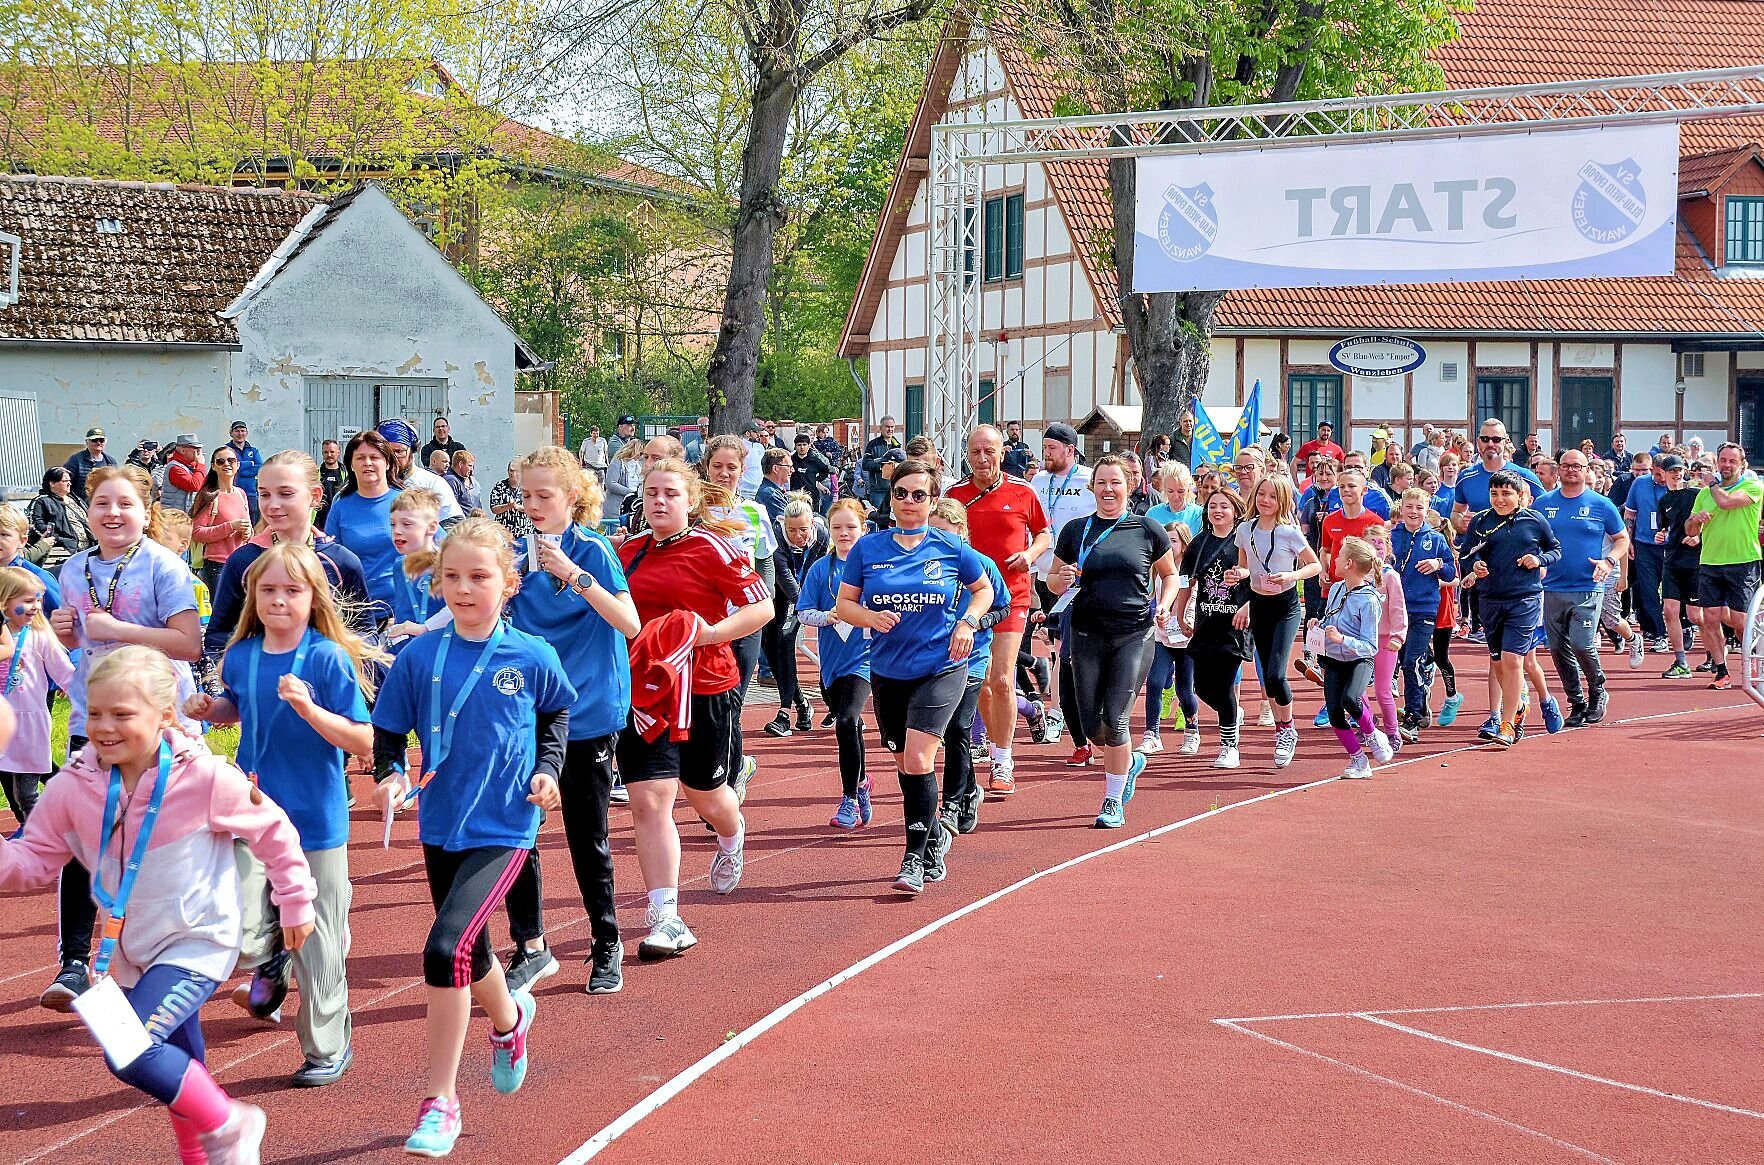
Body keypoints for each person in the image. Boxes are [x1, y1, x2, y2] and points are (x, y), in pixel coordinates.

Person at [0, 646, 315, 1165]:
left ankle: (232, 1123)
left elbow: (275, 833)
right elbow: (32, 862)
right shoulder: (70, 788)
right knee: (179, 1060)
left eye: (122, 715)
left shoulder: (205, 777)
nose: (104, 727)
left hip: (198, 939)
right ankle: (199, 1155)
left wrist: (295, 902)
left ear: (164, 715)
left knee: (128, 1050)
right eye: (95, 712)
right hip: (129, 949)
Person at [370, 518, 571, 1156]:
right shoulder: (419, 656)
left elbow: (555, 715)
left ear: (508, 584)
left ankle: (440, 1102)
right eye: (450, 577)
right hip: (441, 822)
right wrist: (389, 775)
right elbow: (388, 730)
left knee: (442, 950)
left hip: (507, 825)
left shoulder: (531, 655)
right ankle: (510, 1023)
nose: (463, 588)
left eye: (479, 577)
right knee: (472, 955)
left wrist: (547, 771)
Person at [184, 543, 376, 1086]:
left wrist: (309, 707)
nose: (278, 599)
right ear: (251, 594)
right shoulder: (242, 654)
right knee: (239, 929)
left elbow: (363, 738)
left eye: (292, 590)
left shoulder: (327, 658)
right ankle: (273, 953)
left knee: (319, 944)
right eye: (267, 589)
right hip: (251, 813)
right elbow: (238, 704)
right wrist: (212, 708)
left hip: (315, 819)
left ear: (313, 596)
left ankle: (327, 1045)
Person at [36, 465, 204, 1011]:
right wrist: (68, 631)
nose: (113, 513)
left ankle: (172, 955)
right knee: (83, 830)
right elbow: (81, 640)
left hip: (158, 719)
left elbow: (188, 644)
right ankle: (73, 962)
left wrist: (120, 631)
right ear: (88, 510)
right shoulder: (73, 569)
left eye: (125, 504)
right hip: (93, 717)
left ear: (145, 511)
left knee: (160, 837)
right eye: (103, 503)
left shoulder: (165, 566)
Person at [615, 458, 771, 955]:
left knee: (704, 792)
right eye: (651, 492)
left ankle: (732, 832)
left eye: (670, 493)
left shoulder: (713, 549)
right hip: (647, 690)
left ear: (690, 501)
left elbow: (761, 608)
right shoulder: (627, 551)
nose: (659, 501)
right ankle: (665, 915)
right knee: (649, 800)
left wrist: (710, 633)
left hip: (705, 684)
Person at [499, 447, 639, 997]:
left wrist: (575, 576)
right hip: (526, 711)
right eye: (525, 495)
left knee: (587, 836)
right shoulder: (514, 553)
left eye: (543, 495)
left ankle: (607, 942)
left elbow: (628, 622)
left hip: (587, 714)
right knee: (518, 834)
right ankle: (530, 947)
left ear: (572, 497)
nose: (531, 505)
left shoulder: (594, 550)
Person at [836, 459, 993, 893]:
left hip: (941, 666)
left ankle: (913, 858)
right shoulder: (869, 549)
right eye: (901, 493)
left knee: (921, 757)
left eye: (919, 495)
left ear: (933, 500)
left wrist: (967, 623)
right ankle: (933, 834)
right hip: (887, 670)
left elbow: (985, 589)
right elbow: (844, 605)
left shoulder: (950, 547)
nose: (909, 501)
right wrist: (870, 615)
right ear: (892, 497)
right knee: (905, 762)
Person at [1047, 456, 1175, 829]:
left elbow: (1169, 575)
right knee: (1092, 727)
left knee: (1116, 720)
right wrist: (1063, 577)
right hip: (1086, 634)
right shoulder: (1075, 531)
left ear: (1130, 485)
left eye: (1115, 482)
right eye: (1101, 482)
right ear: (1092, 487)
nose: (1108, 489)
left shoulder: (1148, 529)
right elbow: (1053, 582)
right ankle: (1130, 761)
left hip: (1134, 634)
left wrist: (1164, 606)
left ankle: (1112, 799)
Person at [947, 424, 1051, 797]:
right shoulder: (955, 495)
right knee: (981, 685)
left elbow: (1043, 533)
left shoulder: (1022, 491)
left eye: (989, 451)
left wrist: (1030, 555)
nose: (982, 459)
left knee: (1002, 679)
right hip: (971, 599)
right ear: (967, 455)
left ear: (1002, 452)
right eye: (975, 452)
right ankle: (994, 746)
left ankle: (1003, 759)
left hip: (1013, 595)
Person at [205, 451, 372, 659]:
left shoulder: (340, 561)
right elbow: (218, 636)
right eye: (264, 494)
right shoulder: (244, 561)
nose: (273, 505)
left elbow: (366, 633)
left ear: (315, 496)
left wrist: (334, 665)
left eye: (285, 494)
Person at [926, 499, 1010, 838]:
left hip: (972, 657)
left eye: (945, 532)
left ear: (962, 532)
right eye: (933, 532)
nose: (938, 538)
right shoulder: (925, 566)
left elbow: (1004, 606)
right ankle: (971, 788)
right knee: (948, 732)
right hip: (934, 659)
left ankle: (952, 803)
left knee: (960, 725)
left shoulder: (982, 565)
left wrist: (978, 621)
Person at [1458, 469, 1561, 747]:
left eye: (1506, 494)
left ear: (1519, 496)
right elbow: (1465, 555)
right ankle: (1517, 708)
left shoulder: (1534, 520)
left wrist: (1538, 560)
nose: (1500, 499)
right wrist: (1474, 566)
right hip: (1490, 599)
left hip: (1524, 598)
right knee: (1498, 662)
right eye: (1495, 493)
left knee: (1514, 659)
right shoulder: (1480, 521)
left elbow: (1555, 550)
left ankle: (1507, 724)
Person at [1231, 476, 1320, 768]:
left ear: (1281, 500)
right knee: (1266, 678)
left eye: (1271, 496)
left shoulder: (1290, 532)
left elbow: (1315, 564)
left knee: (1276, 674)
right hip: (1259, 605)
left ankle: (1287, 729)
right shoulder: (1245, 530)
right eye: (1261, 494)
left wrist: (1291, 576)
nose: (1265, 500)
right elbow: (1245, 566)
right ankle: (1284, 728)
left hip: (1285, 607)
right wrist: (1239, 575)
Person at [796, 499, 875, 829]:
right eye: (838, 527)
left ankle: (850, 798)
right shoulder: (820, 569)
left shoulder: (876, 567)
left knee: (846, 720)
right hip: (831, 663)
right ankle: (863, 781)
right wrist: (826, 617)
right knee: (850, 725)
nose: (844, 533)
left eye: (851, 527)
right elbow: (803, 612)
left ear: (863, 529)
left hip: (865, 660)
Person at [1536, 450, 1630, 724]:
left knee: (1582, 643)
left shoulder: (1601, 504)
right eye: (1565, 466)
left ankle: (1597, 689)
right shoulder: (1543, 504)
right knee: (1557, 648)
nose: (1571, 470)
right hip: (1552, 586)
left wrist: (1609, 561)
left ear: (1587, 470)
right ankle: (1576, 701)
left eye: (1577, 466)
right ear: (1558, 471)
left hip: (1588, 586)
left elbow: (1622, 538)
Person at [1030, 422, 1098, 766]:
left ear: (1070, 450)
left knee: (1069, 650)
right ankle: (1059, 712)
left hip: (1076, 576)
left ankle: (1066, 711)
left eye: (1052, 449)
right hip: (1044, 573)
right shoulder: (1039, 481)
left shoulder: (1088, 479)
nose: (1047, 455)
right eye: (1045, 449)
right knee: (1056, 647)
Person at [1177, 489, 1252, 768]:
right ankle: (1232, 714)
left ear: (1235, 510)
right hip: (1205, 623)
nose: (1217, 511)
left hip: (1235, 626)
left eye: (1224, 506)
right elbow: (1188, 581)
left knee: (1223, 684)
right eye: (1212, 506)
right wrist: (1180, 612)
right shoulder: (1199, 543)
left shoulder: (1244, 541)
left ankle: (1229, 745)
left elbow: (1259, 578)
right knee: (1203, 687)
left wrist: (1249, 606)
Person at [0, 567, 74, 828]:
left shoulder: (40, 638)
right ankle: (28, 832)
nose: (35, 607)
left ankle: (41, 839)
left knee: (27, 793)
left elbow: (66, 674)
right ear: (4, 602)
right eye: (27, 601)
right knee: (12, 790)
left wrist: (90, 700)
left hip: (29, 726)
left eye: (37, 600)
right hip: (3, 726)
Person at [1687, 442, 1764, 690]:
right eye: (1723, 460)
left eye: (1732, 461)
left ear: (1742, 465)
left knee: (1742, 621)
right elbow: (1689, 528)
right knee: (1709, 618)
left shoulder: (1752, 486)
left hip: (1743, 561)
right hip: (1710, 561)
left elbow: (1727, 502)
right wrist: (1695, 521)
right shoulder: (1703, 494)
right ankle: (1722, 671)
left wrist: (1711, 483)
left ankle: (1753, 664)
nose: (1727, 465)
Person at [1314, 537, 1392, 779]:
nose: (1334, 559)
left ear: (1348, 563)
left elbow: (1370, 645)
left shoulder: (1369, 600)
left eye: (1338, 556)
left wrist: (1342, 639)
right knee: (1335, 712)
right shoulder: (1337, 588)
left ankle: (1372, 734)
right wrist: (1319, 626)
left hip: (1359, 660)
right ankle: (1358, 760)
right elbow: (1332, 619)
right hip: (1334, 659)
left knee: (1351, 699)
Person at [1390, 489, 1458, 743]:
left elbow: (1451, 572)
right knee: (1402, 660)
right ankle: (1421, 697)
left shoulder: (1436, 539)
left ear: (1426, 510)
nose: (1414, 512)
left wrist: (1438, 564)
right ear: (1402, 508)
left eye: (1419, 507)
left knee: (1412, 661)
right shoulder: (1392, 536)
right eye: (1409, 506)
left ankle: (1413, 716)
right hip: (1396, 609)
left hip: (1424, 608)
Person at [324, 430, 404, 621]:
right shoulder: (340, 506)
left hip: (402, 611)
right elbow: (329, 560)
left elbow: (439, 545)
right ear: (351, 465)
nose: (367, 463)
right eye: (360, 458)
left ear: (387, 463)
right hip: (357, 612)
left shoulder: (407, 502)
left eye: (374, 457)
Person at [764, 499, 826, 737]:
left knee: (785, 639)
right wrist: (800, 599)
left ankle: (784, 713)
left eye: (803, 529)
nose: (798, 535)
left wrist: (809, 603)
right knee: (770, 648)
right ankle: (802, 705)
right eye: (792, 530)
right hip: (779, 591)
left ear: (812, 524)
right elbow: (784, 576)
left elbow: (816, 567)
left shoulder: (821, 534)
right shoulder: (777, 538)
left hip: (804, 592)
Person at [1141, 520, 1199, 756]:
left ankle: (1192, 730)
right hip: (1163, 636)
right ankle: (1152, 734)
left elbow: (1194, 600)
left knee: (1185, 689)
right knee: (1154, 682)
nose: (1168, 545)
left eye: (1173, 541)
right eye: (1165, 541)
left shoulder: (1191, 570)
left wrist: (1187, 621)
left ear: (1184, 544)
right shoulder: (1159, 567)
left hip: (1186, 638)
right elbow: (1153, 596)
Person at [1653, 454, 1704, 679]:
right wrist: (1660, 535)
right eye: (1671, 470)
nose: (1676, 473)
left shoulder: (1696, 494)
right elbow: (1663, 529)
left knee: (1695, 615)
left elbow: (1710, 522)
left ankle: (1714, 655)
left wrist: (1700, 538)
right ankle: (1681, 662)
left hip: (1694, 561)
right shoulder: (1664, 501)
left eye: (1679, 469)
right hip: (1671, 560)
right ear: (1662, 473)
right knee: (1670, 611)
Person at [1360, 522, 1408, 751]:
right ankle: (1368, 724)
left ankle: (1392, 731)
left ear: (1388, 548)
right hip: (1360, 641)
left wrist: (1398, 636)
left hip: (1385, 639)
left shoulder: (1390, 577)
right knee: (1356, 690)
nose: (1377, 547)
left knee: (1382, 690)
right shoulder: (1357, 575)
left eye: (1381, 543)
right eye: (1372, 543)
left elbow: (1398, 609)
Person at [386, 488, 447, 650]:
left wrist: (425, 627)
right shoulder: (399, 566)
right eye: (393, 524)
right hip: (407, 651)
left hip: (439, 648)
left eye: (406, 524)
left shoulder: (446, 565)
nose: (397, 531)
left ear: (431, 527)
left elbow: (457, 611)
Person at [190, 447, 252, 593]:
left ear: (238, 465)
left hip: (241, 565)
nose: (226, 464)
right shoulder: (208, 495)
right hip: (217, 567)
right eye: (220, 461)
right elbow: (196, 532)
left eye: (231, 460)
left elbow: (248, 529)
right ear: (213, 466)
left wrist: (248, 532)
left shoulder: (241, 494)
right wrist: (230, 526)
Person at [29, 466, 95, 568]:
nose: (69, 483)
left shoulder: (76, 500)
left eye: (69, 480)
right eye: (65, 481)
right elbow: (37, 525)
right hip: (63, 552)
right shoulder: (42, 501)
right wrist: (60, 540)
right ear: (52, 483)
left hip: (87, 550)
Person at [861, 415, 904, 516]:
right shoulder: (873, 445)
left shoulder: (898, 445)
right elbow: (866, 464)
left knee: (893, 518)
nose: (890, 429)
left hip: (894, 489)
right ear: (881, 428)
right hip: (878, 490)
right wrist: (883, 467)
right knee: (877, 518)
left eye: (892, 427)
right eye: (887, 427)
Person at [63, 427, 118, 503]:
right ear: (87, 442)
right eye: (94, 440)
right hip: (80, 504)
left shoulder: (110, 462)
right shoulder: (75, 460)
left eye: (101, 440)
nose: (98, 443)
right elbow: (66, 482)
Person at [227, 421, 264, 523]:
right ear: (231, 433)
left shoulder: (253, 450)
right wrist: (250, 463)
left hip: (251, 493)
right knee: (235, 519)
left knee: (253, 521)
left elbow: (260, 468)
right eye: (237, 431)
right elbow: (229, 466)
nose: (240, 434)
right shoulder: (226, 450)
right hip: (233, 491)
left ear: (246, 433)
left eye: (242, 431)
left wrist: (239, 469)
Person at [161, 434, 206, 514]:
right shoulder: (174, 467)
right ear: (183, 450)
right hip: (174, 517)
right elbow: (195, 485)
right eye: (195, 448)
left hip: (184, 515)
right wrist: (201, 465)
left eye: (199, 448)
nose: (199, 451)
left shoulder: (190, 466)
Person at [790, 434, 833, 513]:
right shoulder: (790, 460)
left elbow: (825, 470)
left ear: (809, 445)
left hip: (812, 497)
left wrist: (816, 481)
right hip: (795, 497)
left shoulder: (815, 460)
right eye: (799, 445)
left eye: (804, 445)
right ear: (795, 446)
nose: (802, 447)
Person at [755, 448, 793, 525]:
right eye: (789, 466)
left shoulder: (773, 491)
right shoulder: (771, 495)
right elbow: (788, 526)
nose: (792, 470)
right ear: (775, 468)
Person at [317, 439, 345, 527]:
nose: (329, 455)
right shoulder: (316, 474)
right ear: (322, 453)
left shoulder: (348, 475)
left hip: (341, 521)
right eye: (326, 452)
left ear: (338, 452)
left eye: (332, 452)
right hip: (320, 524)